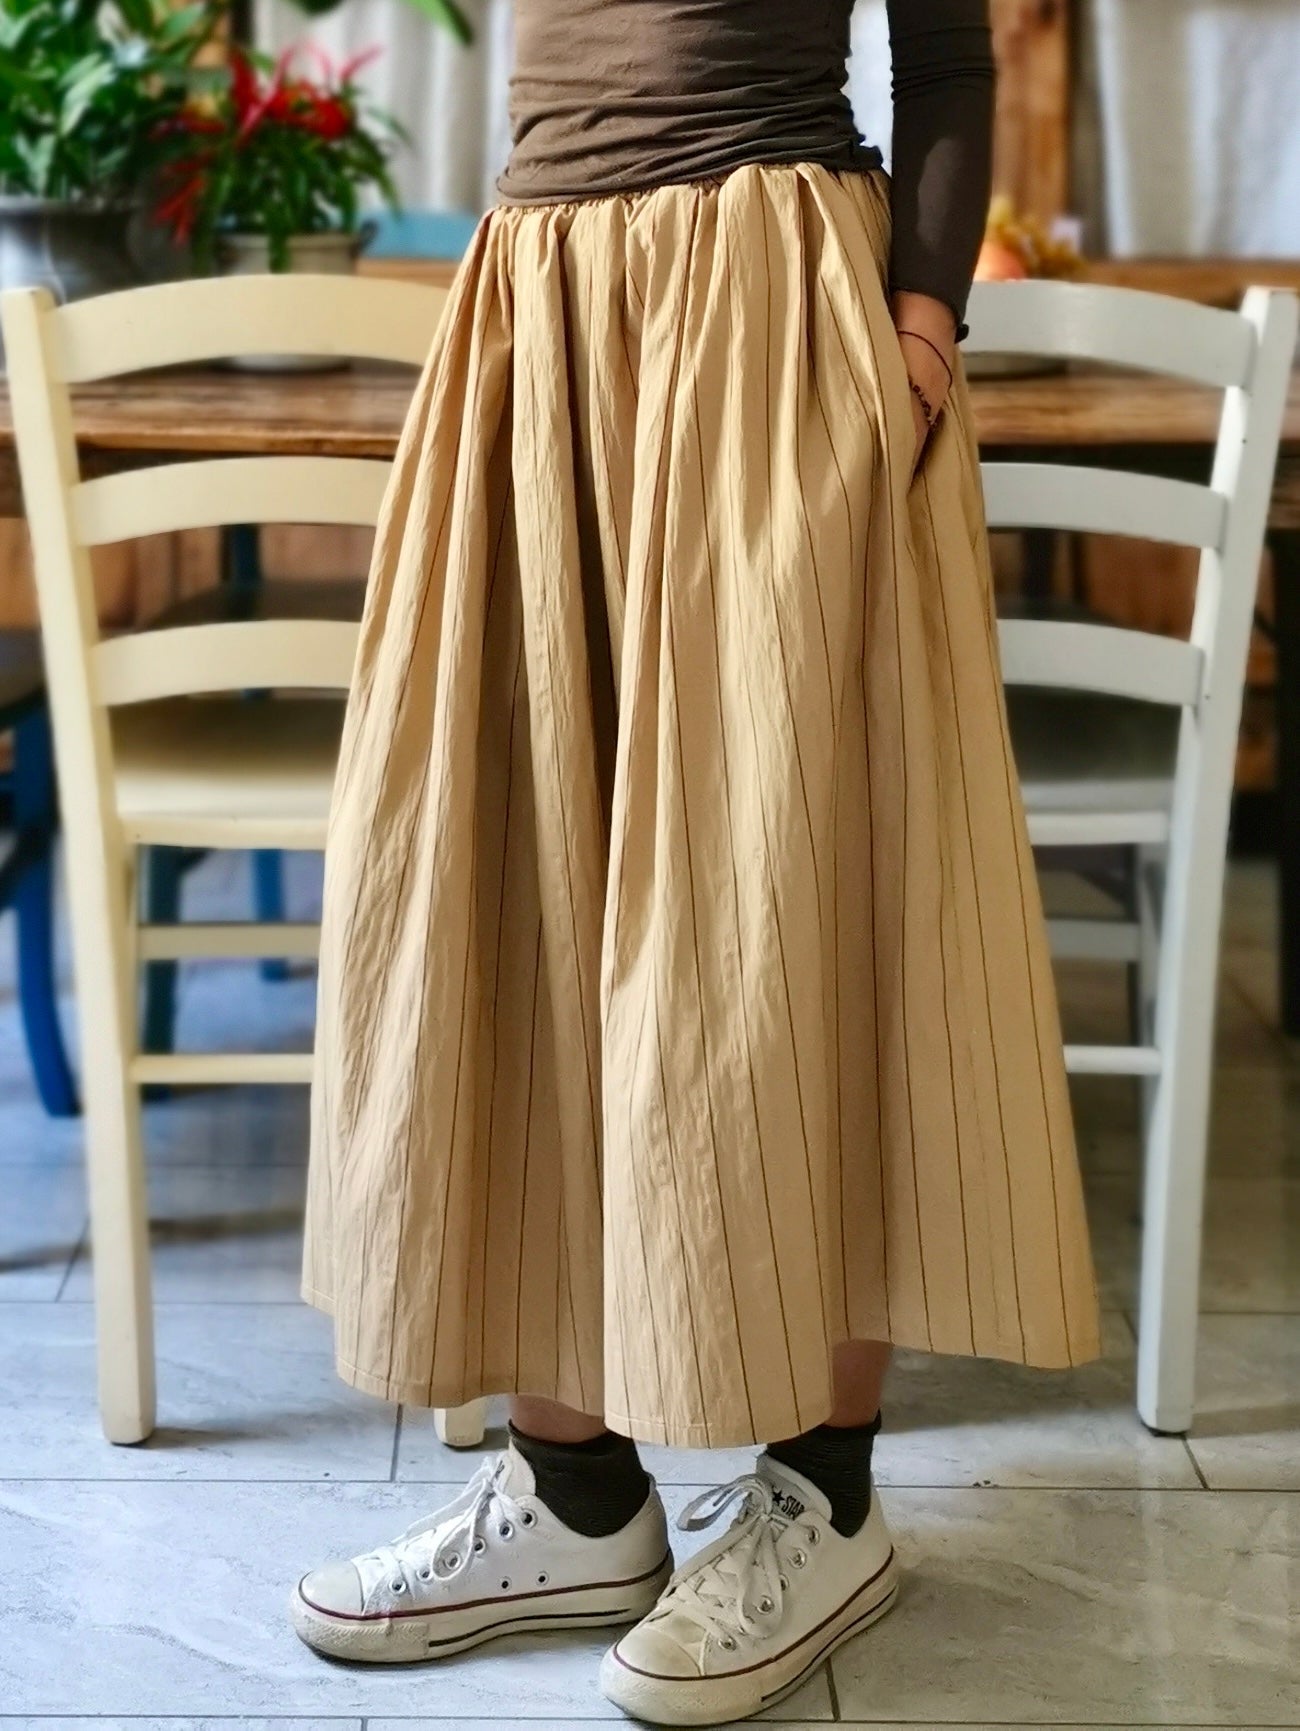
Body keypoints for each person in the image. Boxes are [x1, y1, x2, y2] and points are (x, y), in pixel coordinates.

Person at [289, 0, 1101, 1722]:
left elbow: (951, 53)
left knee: (786, 899)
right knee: (518, 878)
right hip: (541, 303)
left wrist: (924, 327)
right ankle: (576, 1494)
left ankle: (824, 1493)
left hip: (765, 314)